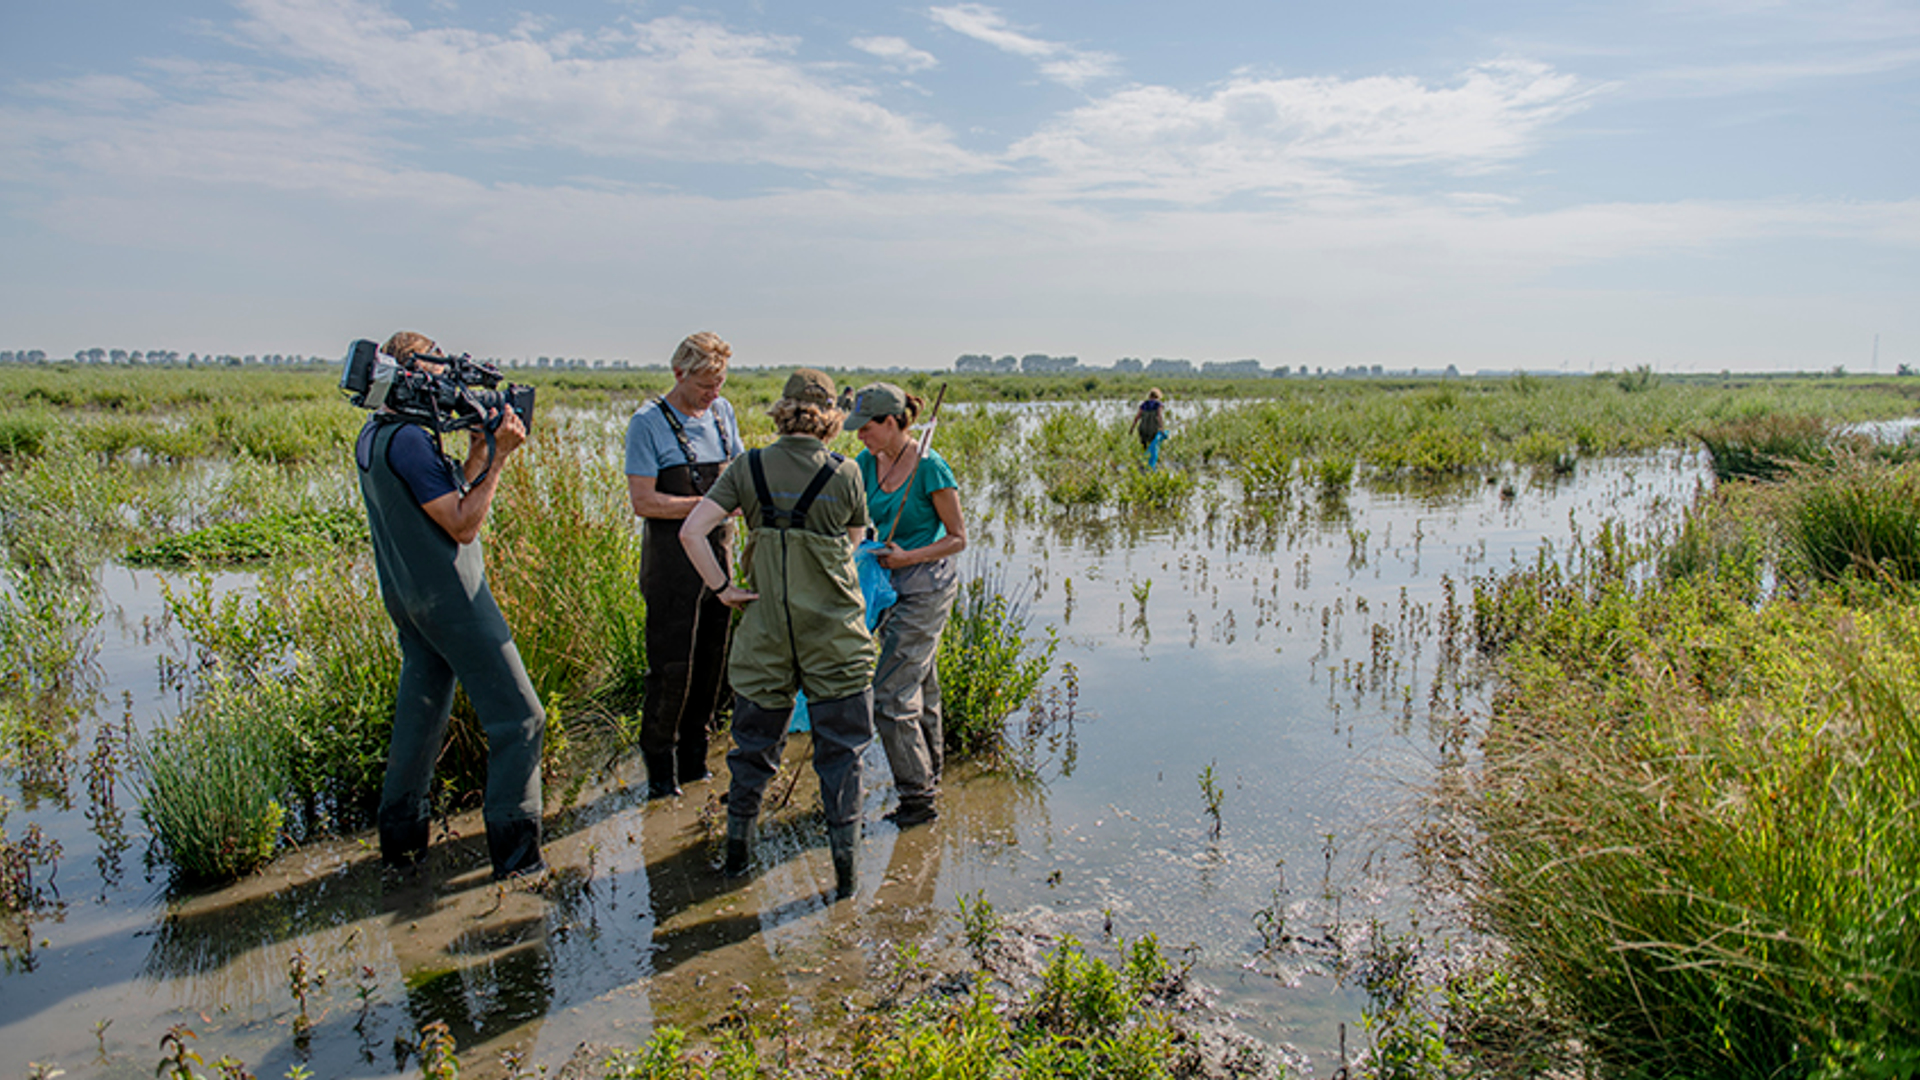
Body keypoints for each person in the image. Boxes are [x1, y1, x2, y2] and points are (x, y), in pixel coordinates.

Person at [357, 331, 545, 880]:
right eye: (440, 378)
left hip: (408, 599)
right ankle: (519, 859)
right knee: (522, 719)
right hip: (453, 599)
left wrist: (479, 454)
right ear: (411, 376)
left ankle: (402, 848)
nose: (451, 392)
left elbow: (438, 503)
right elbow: (463, 525)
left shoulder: (378, 434)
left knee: (419, 720)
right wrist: (503, 458)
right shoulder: (412, 440)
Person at [680, 369, 874, 899]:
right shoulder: (847, 471)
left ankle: (735, 863)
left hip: (764, 634)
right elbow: (855, 541)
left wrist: (722, 587)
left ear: (783, 410)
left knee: (751, 753)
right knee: (843, 755)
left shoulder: (747, 466)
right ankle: (846, 883)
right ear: (832, 416)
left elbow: (692, 530)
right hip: (835, 637)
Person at [625, 332, 743, 799]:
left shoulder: (722, 411)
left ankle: (696, 761)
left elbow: (735, 473)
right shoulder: (648, 422)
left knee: (714, 659)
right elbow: (644, 501)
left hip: (720, 555)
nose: (713, 394)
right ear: (679, 373)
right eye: (704, 385)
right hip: (671, 562)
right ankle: (659, 772)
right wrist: (708, 506)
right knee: (671, 665)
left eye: (719, 383)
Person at [845, 383, 966, 828]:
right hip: (886, 586)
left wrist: (908, 556)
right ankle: (930, 774)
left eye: (867, 427)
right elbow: (858, 524)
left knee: (891, 695)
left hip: (927, 588)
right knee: (922, 687)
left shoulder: (930, 467)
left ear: (893, 422)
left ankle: (917, 803)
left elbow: (958, 538)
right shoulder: (864, 463)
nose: (860, 436)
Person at [1130, 387, 1167, 469]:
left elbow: (1137, 417)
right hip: (1153, 428)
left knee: (1144, 446)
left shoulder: (1144, 404)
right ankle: (1151, 465)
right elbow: (1159, 416)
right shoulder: (1159, 404)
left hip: (1143, 428)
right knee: (1153, 446)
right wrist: (1162, 428)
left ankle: (1142, 463)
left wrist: (1132, 428)